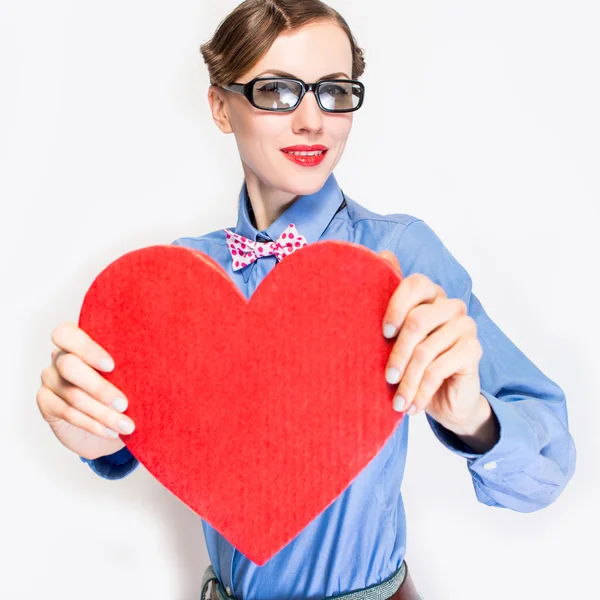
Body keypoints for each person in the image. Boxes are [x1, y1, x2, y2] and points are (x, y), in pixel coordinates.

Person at [36, 1, 576, 599]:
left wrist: (474, 419)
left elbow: (547, 473)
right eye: (276, 91)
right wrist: (100, 434)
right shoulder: (180, 277)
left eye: (335, 91)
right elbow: (143, 434)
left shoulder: (400, 255)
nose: (314, 121)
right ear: (220, 106)